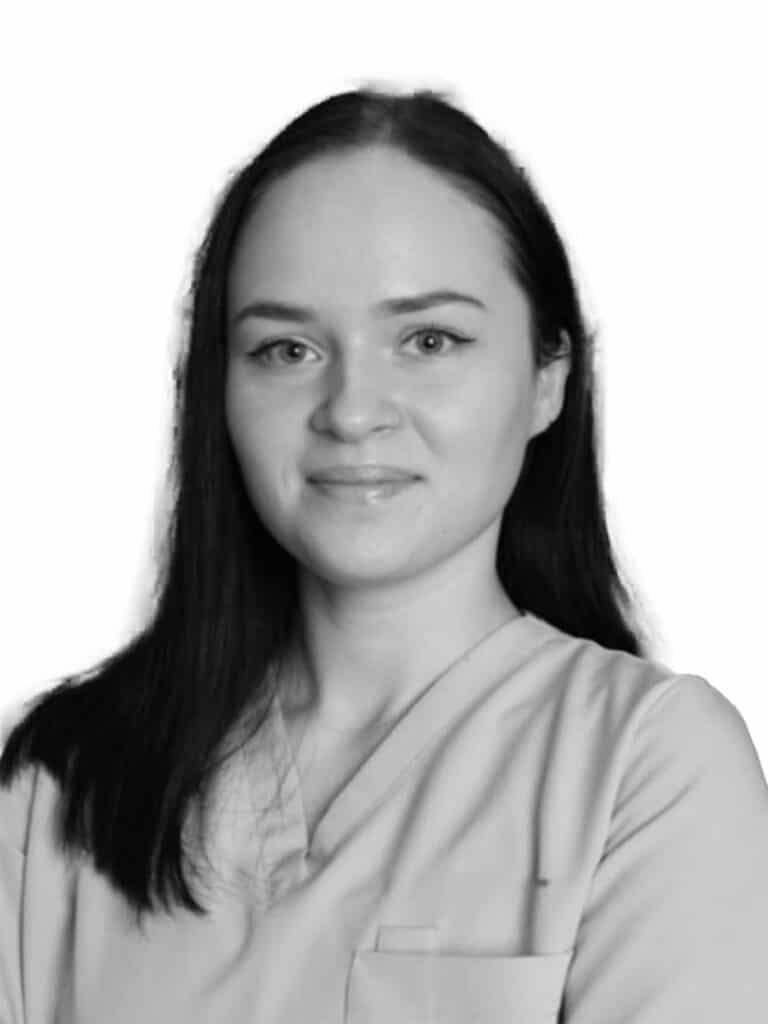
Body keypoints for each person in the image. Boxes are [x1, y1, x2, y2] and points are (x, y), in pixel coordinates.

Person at [1, 84, 767, 1024]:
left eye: (429, 340)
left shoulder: (645, 767)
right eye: (286, 350)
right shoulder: (58, 787)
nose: (352, 411)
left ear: (548, 379)